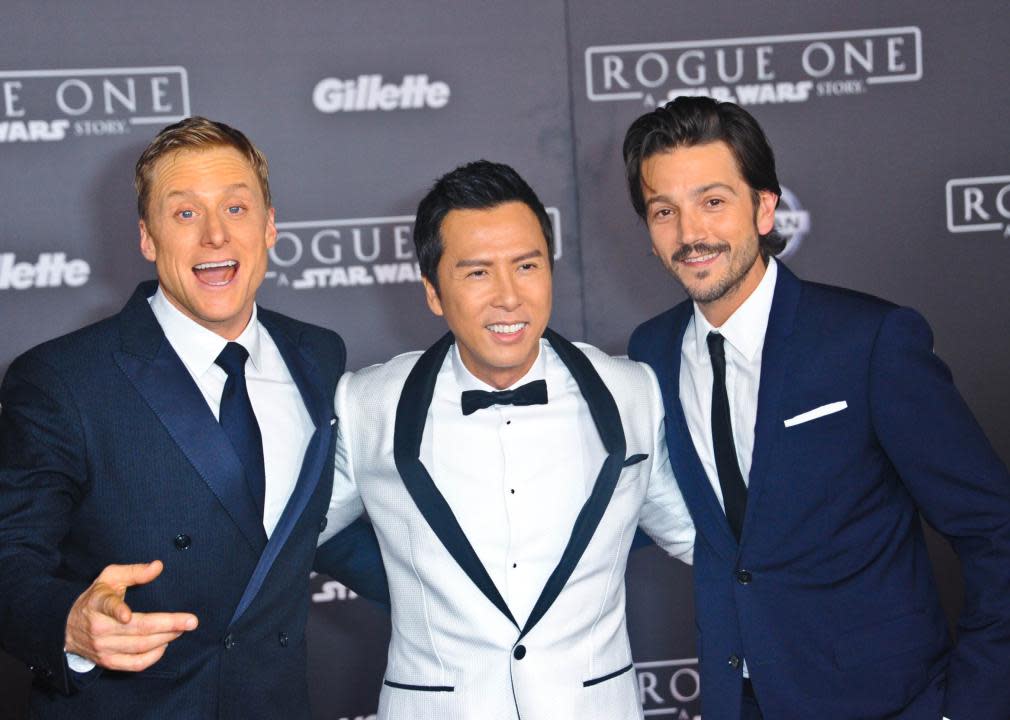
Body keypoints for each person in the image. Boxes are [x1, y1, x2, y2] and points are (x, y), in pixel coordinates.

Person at [623, 96, 1010, 720]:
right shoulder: (652, 350)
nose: (690, 233)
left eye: (713, 202)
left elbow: (993, 527)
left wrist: (970, 703)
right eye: (664, 210)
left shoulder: (869, 341)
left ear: (765, 206)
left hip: (885, 702)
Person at [0, 117, 383, 719]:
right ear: (147, 237)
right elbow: (10, 559)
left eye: (236, 208)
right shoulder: (61, 380)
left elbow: (301, 531)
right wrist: (71, 624)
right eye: (184, 214)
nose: (214, 236)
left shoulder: (319, 355)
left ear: (270, 225)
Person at [314, 160, 694, 720]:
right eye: (477, 273)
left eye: (526, 265)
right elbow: (287, 536)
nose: (509, 296)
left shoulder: (631, 391)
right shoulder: (369, 403)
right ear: (433, 292)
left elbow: (700, 535)